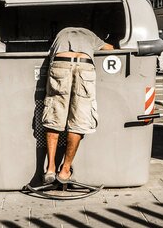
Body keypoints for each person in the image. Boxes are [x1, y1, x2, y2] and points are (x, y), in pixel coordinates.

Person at [41, 27, 114, 184]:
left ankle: (50, 168)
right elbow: (110, 48)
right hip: (85, 66)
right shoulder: (90, 34)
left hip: (60, 64)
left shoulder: (60, 34)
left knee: (54, 115)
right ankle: (65, 171)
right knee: (78, 120)